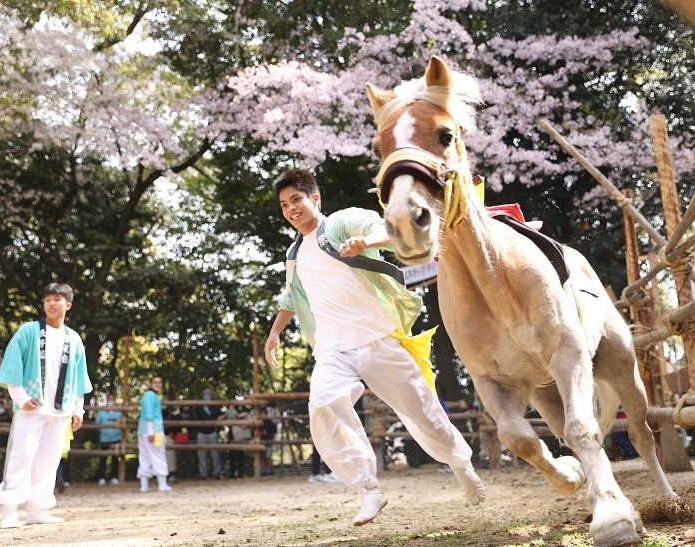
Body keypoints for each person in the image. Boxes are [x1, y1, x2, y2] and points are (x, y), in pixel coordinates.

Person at [265, 169, 485, 526]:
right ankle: (368, 489)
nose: (291, 208)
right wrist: (275, 332)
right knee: (322, 405)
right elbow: (291, 296)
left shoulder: (339, 224)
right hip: (333, 350)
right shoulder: (294, 253)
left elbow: (384, 230)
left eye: (297, 200)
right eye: (284, 204)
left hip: (378, 338)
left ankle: (460, 464)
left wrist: (364, 244)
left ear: (314, 199)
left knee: (424, 413)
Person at [0, 283, 92, 528]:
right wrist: (20, 397)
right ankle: (9, 511)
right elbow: (13, 364)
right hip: (31, 407)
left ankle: (37, 510)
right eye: (47, 299)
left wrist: (78, 409)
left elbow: (79, 378)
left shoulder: (74, 339)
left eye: (57, 299)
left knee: (49, 461)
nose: (51, 303)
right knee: (21, 456)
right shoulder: (29, 331)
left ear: (67, 305)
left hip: (60, 411)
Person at [137, 375, 172, 492]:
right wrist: (151, 431)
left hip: (143, 430)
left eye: (160, 382)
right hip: (153, 430)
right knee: (158, 454)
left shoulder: (149, 396)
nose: (158, 384)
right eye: (155, 382)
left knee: (145, 456)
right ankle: (162, 484)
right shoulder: (150, 396)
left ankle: (144, 485)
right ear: (151, 384)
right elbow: (149, 414)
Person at [194, 388, 223, 479]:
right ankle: (203, 474)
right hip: (201, 433)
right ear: (203, 396)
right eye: (205, 394)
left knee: (215, 454)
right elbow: (195, 418)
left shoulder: (215, 406)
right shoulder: (199, 407)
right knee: (202, 455)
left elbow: (220, 416)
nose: (207, 396)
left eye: (209, 394)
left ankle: (216, 473)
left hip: (212, 432)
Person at [95, 394, 122, 485]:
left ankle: (114, 477)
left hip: (116, 438)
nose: (111, 401)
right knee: (103, 459)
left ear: (115, 400)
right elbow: (97, 424)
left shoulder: (119, 412)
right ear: (107, 400)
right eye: (109, 399)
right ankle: (101, 478)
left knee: (115, 459)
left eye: (112, 399)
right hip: (104, 439)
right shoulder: (102, 412)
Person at [220, 405, 251, 478]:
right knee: (232, 456)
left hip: (240, 439)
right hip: (231, 438)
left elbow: (248, 418)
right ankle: (232, 473)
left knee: (240, 455)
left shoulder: (241, 415)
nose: (231, 409)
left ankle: (240, 473)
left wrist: (238, 416)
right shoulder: (227, 415)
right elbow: (219, 419)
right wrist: (226, 415)